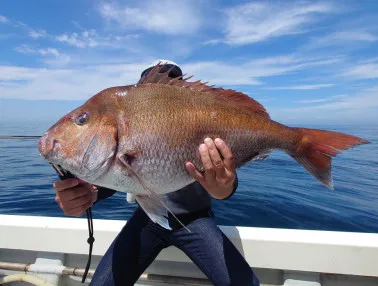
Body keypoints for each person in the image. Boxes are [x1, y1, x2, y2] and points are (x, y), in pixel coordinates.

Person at [53, 60, 260, 286]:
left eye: (173, 80)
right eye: (153, 80)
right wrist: (90, 193)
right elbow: (122, 174)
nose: (164, 85)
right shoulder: (129, 127)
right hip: (146, 219)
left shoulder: (200, 118)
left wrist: (223, 189)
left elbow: (226, 178)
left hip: (195, 218)